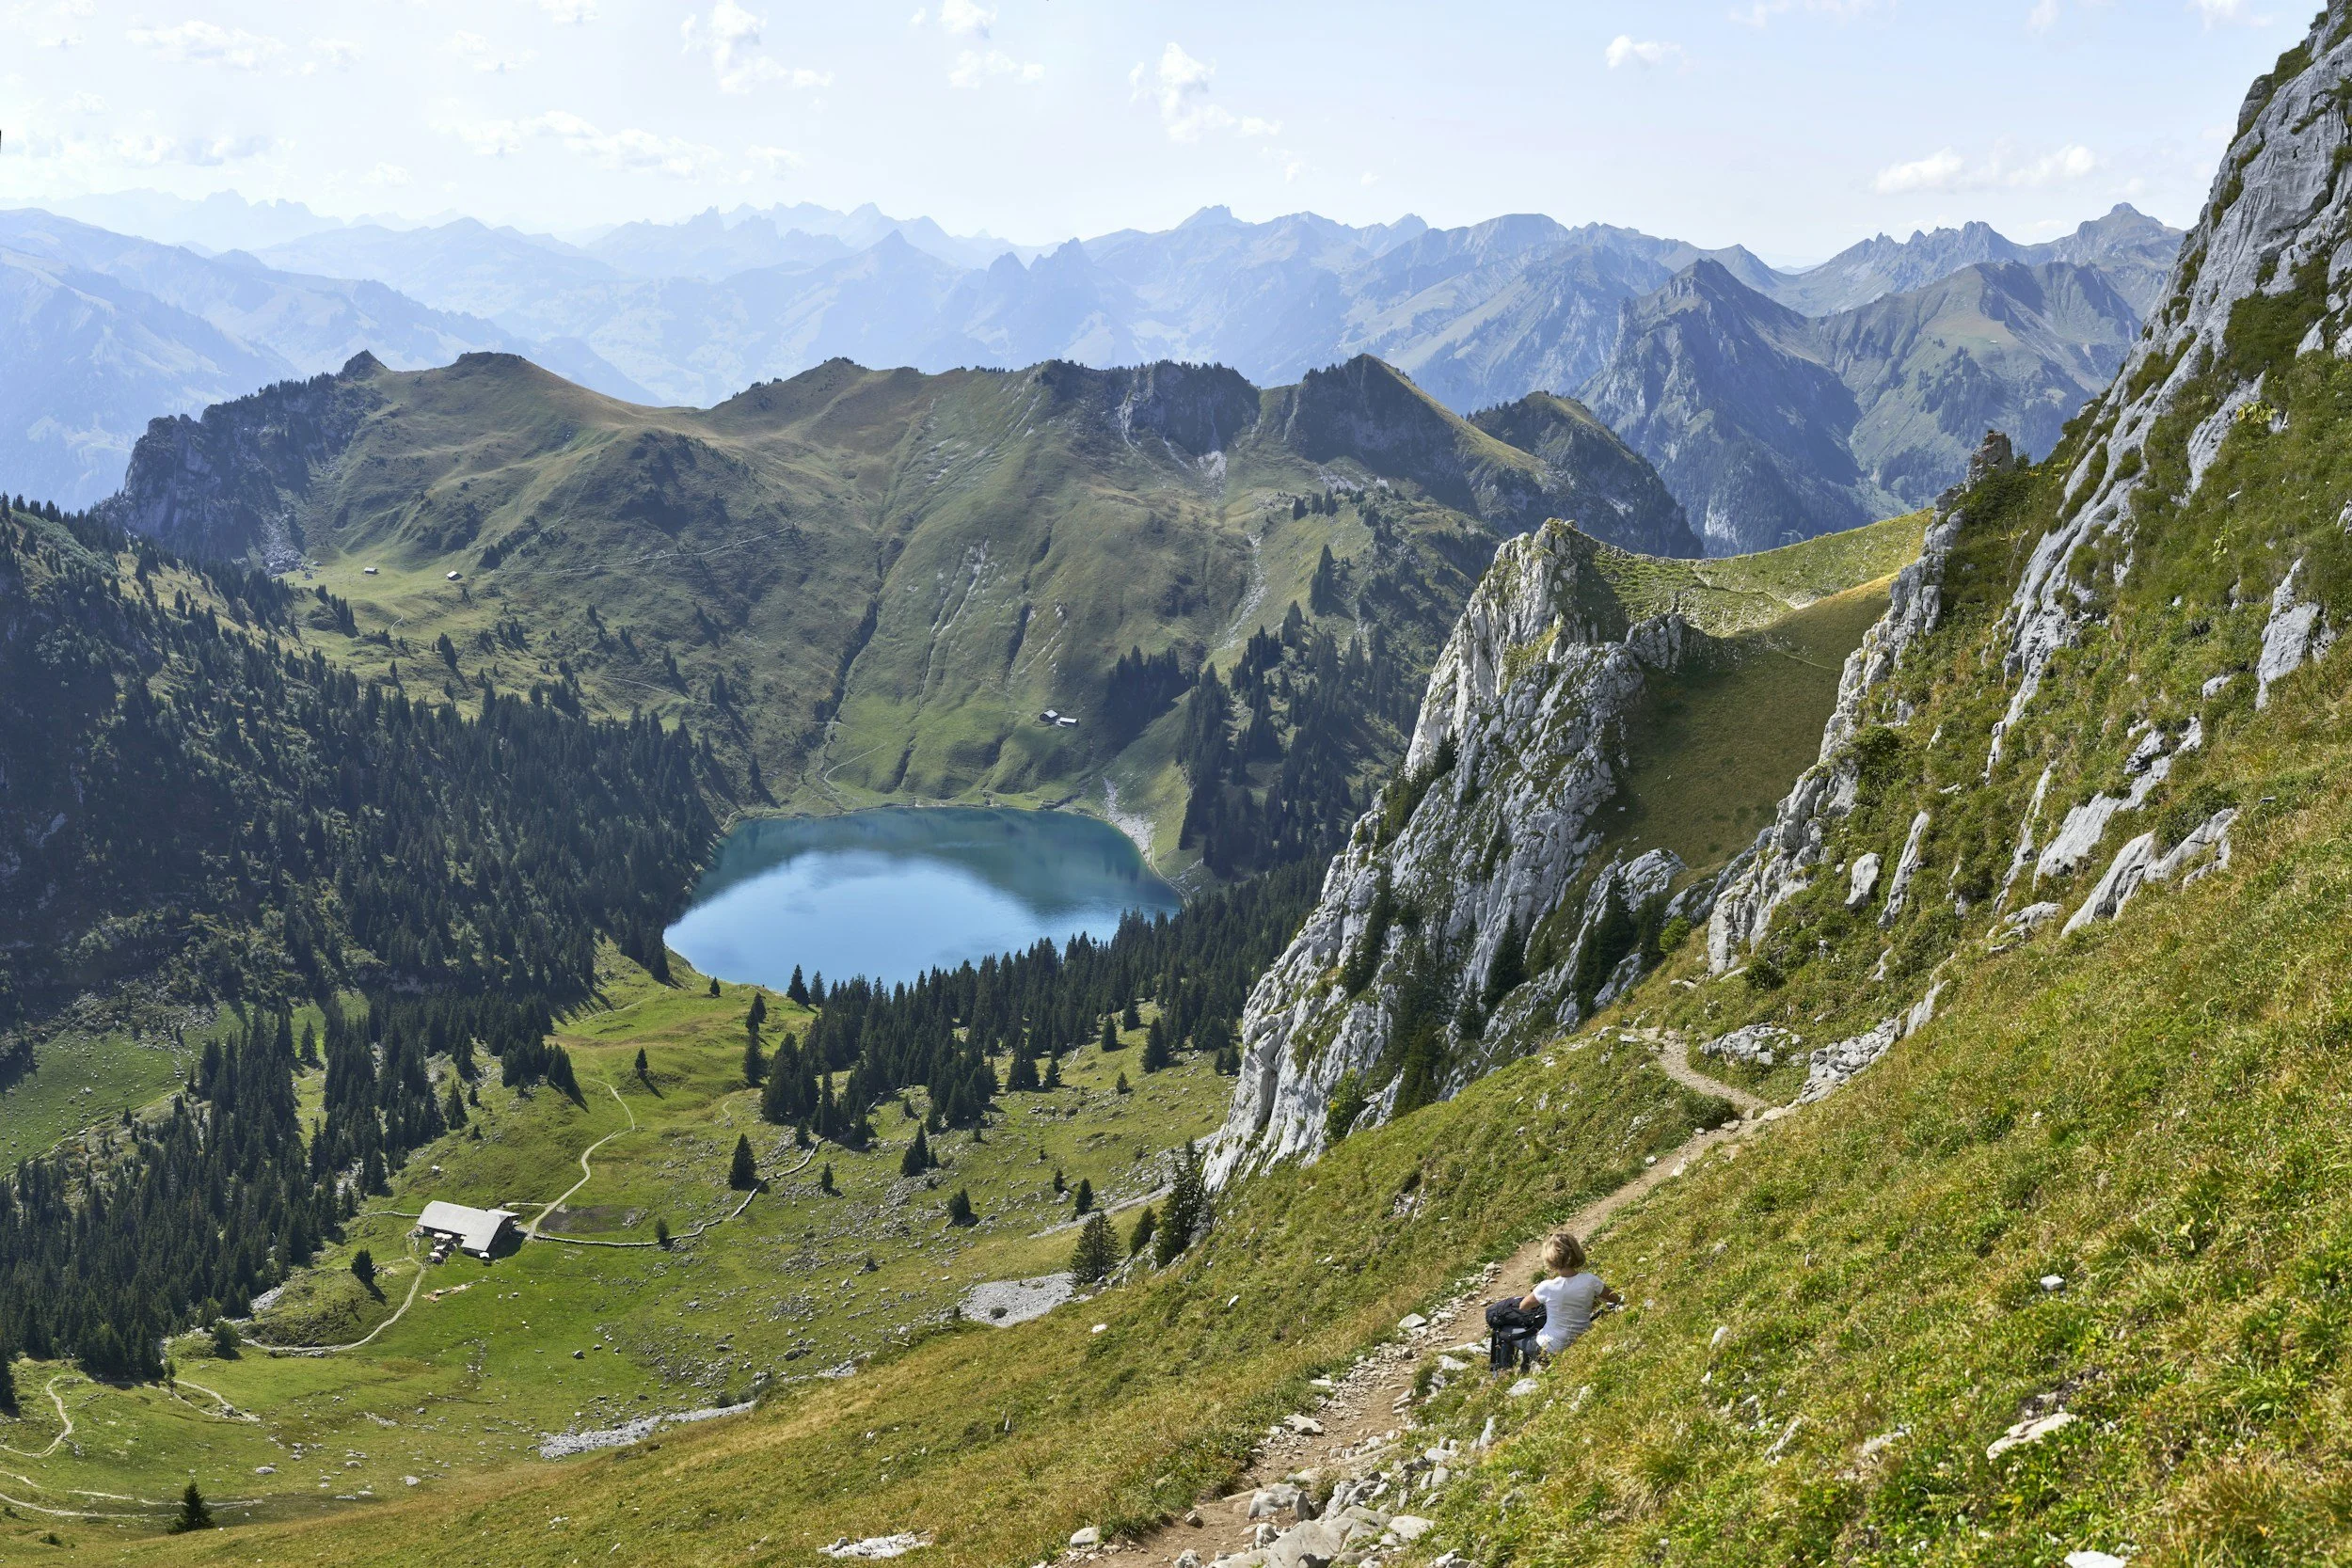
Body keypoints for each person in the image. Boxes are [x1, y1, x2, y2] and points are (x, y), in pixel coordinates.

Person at [1519, 1230, 1621, 1357]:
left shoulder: (1546, 1287)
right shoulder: (1590, 1280)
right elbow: (1615, 1298)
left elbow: (1523, 1306)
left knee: (1509, 1332)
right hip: (1581, 1339)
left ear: (1550, 1258)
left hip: (1549, 1347)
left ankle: (1507, 1365)